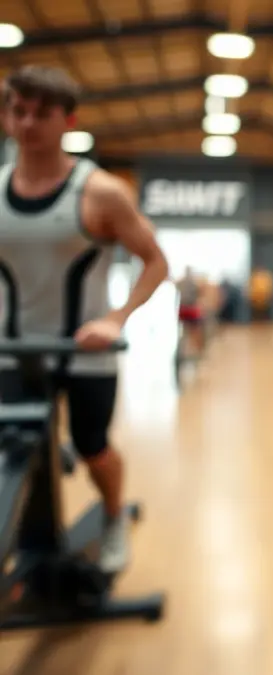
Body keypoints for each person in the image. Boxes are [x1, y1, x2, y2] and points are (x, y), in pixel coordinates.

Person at [0, 65, 169, 572]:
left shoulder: (100, 193)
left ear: (68, 121)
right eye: (17, 111)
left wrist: (116, 319)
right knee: (14, 446)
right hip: (14, 349)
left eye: (42, 114)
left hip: (85, 351)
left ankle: (113, 517)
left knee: (93, 448)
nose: (27, 124)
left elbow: (156, 262)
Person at [175, 266, 206, 356]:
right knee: (195, 330)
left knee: (184, 331)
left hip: (182, 309)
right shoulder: (194, 283)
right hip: (191, 310)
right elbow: (200, 294)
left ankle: (184, 350)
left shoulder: (180, 282)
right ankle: (197, 350)